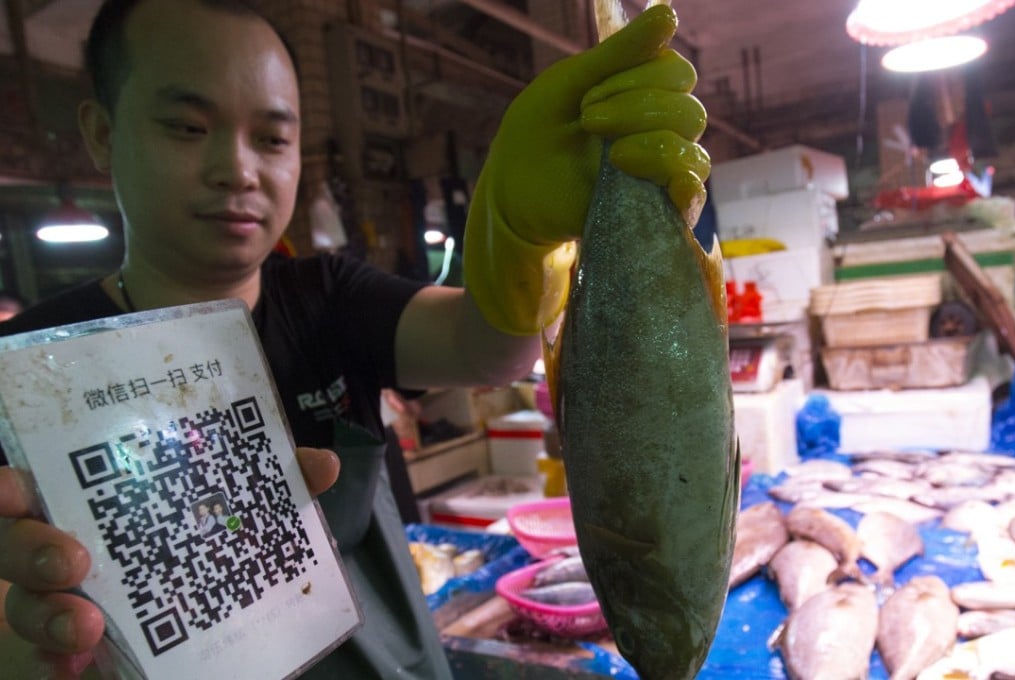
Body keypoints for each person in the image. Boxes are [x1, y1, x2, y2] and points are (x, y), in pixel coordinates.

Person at [0, 0, 709, 677]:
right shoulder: (25, 370)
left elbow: (489, 349)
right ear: (100, 132)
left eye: (273, 138)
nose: (238, 170)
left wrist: (516, 235)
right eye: (188, 127)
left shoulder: (328, 298)